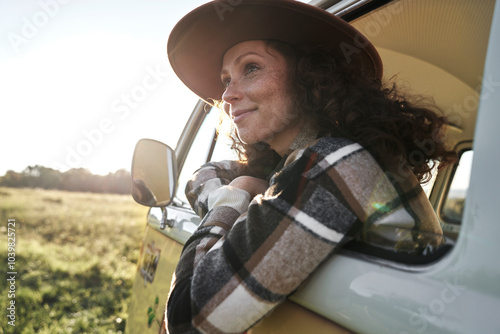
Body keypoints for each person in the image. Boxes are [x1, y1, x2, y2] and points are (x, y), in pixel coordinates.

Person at [164, 0, 457, 333]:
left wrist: (231, 200)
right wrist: (246, 184)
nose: (228, 93)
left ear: (310, 76)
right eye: (226, 79)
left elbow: (186, 319)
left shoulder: (335, 164)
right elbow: (208, 173)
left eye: (251, 68)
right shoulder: (311, 160)